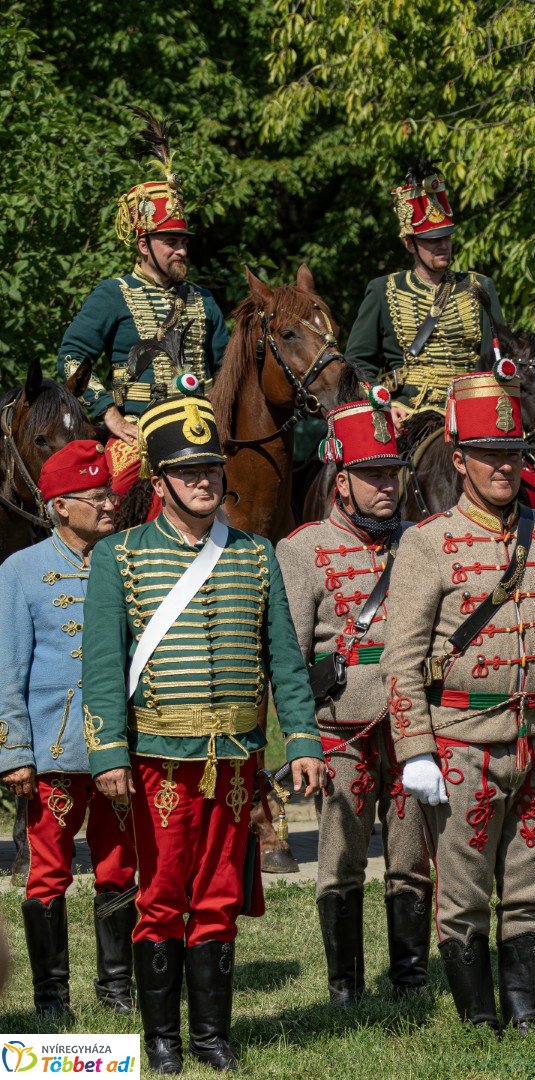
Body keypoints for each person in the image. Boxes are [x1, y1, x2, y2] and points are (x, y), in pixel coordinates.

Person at [81, 387, 323, 1072]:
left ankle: (212, 1037)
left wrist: (301, 739)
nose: (205, 481)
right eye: (189, 472)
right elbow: (101, 666)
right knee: (159, 900)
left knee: (218, 897)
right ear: (160, 484)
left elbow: (284, 658)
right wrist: (107, 754)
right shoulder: (119, 558)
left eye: (212, 470)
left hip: (237, 758)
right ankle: (160, 1042)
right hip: (157, 757)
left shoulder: (254, 554)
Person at [385, 370, 535, 1031]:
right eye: (489, 456)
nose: (503, 468)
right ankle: (479, 1019)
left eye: (512, 455)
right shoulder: (427, 542)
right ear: (461, 461)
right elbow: (401, 662)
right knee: (461, 895)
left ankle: (526, 1014)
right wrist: (415, 751)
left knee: (533, 889)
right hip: (460, 746)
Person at [276, 391, 432, 1005]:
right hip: (340, 732)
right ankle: (345, 986)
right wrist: (300, 739)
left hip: (413, 727)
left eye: (391, 474)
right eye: (370, 475)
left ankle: (411, 978)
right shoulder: (302, 549)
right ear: (340, 481)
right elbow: (286, 658)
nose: (385, 486)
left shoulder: (420, 542)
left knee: (411, 856)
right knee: (340, 862)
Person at [0, 442, 136, 1017]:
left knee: (120, 866)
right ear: (59, 505)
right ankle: (51, 999)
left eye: (110, 492)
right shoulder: (20, 571)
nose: (110, 503)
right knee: (48, 875)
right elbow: (7, 667)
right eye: (97, 495)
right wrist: (14, 751)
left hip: (119, 752)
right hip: (53, 754)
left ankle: (116, 990)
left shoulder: (130, 562)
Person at [56, 114, 228, 444]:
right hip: (140, 432)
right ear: (143, 245)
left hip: (204, 428)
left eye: (184, 242)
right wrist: (109, 414)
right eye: (171, 242)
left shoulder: (203, 298)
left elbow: (227, 367)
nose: (181, 251)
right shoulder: (111, 294)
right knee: (113, 491)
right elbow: (72, 357)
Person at [347, 161, 502, 425]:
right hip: (408, 413)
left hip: (471, 410)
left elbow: (496, 357)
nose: (442, 245)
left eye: (446, 237)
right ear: (410, 244)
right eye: (432, 240)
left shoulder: (480, 286)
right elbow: (357, 364)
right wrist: (382, 403)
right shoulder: (383, 290)